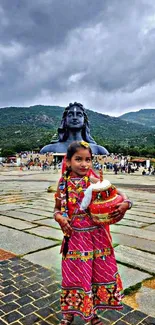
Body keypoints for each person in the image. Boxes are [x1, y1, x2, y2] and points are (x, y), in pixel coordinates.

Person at [54, 141, 132, 325]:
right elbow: (56, 209)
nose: (84, 164)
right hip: (74, 238)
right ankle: (69, 313)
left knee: (95, 276)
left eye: (88, 160)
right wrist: (60, 218)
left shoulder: (94, 182)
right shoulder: (63, 185)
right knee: (73, 275)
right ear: (68, 161)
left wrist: (126, 203)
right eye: (78, 159)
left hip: (96, 238)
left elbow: (119, 193)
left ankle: (93, 315)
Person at [40, 102, 109, 155]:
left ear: (84, 121)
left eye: (79, 115)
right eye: (70, 115)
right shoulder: (48, 149)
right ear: (65, 120)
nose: (75, 118)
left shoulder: (99, 150)